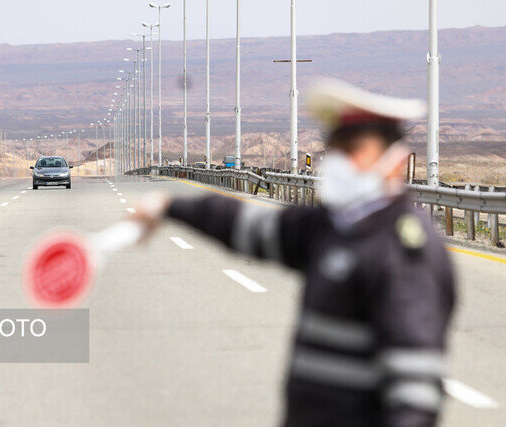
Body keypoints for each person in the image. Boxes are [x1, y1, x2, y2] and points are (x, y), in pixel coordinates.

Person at [131, 79, 456, 427]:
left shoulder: (403, 249)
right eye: (337, 149)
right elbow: (252, 226)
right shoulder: (335, 228)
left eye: (356, 149)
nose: (342, 162)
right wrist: (170, 207)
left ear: (395, 161)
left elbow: (415, 393)